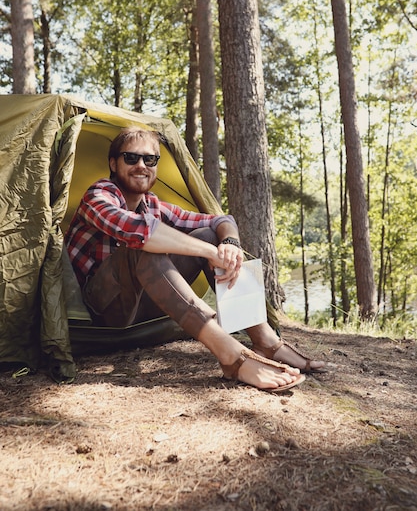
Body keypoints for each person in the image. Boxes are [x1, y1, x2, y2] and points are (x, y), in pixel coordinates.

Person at [65, 128, 326, 393]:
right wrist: (209, 253)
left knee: (210, 234)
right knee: (143, 248)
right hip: (105, 309)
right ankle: (232, 357)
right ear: (113, 163)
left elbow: (221, 221)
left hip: (146, 303)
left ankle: (266, 341)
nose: (141, 166)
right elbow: (137, 231)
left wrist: (229, 244)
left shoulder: (153, 204)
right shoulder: (98, 195)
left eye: (150, 160)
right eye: (131, 158)